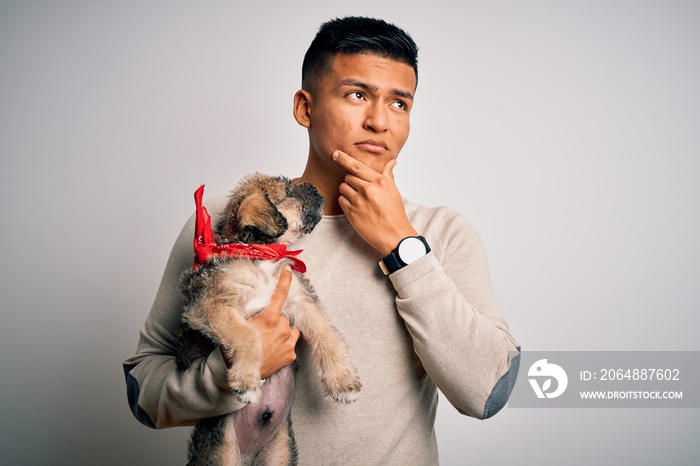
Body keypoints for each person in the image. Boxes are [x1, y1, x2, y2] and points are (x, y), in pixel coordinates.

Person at [123, 16, 520, 465]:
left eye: (399, 104)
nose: (379, 122)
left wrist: (402, 245)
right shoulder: (230, 221)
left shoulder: (442, 234)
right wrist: (229, 369)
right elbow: (144, 390)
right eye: (357, 95)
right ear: (304, 108)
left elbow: (489, 391)